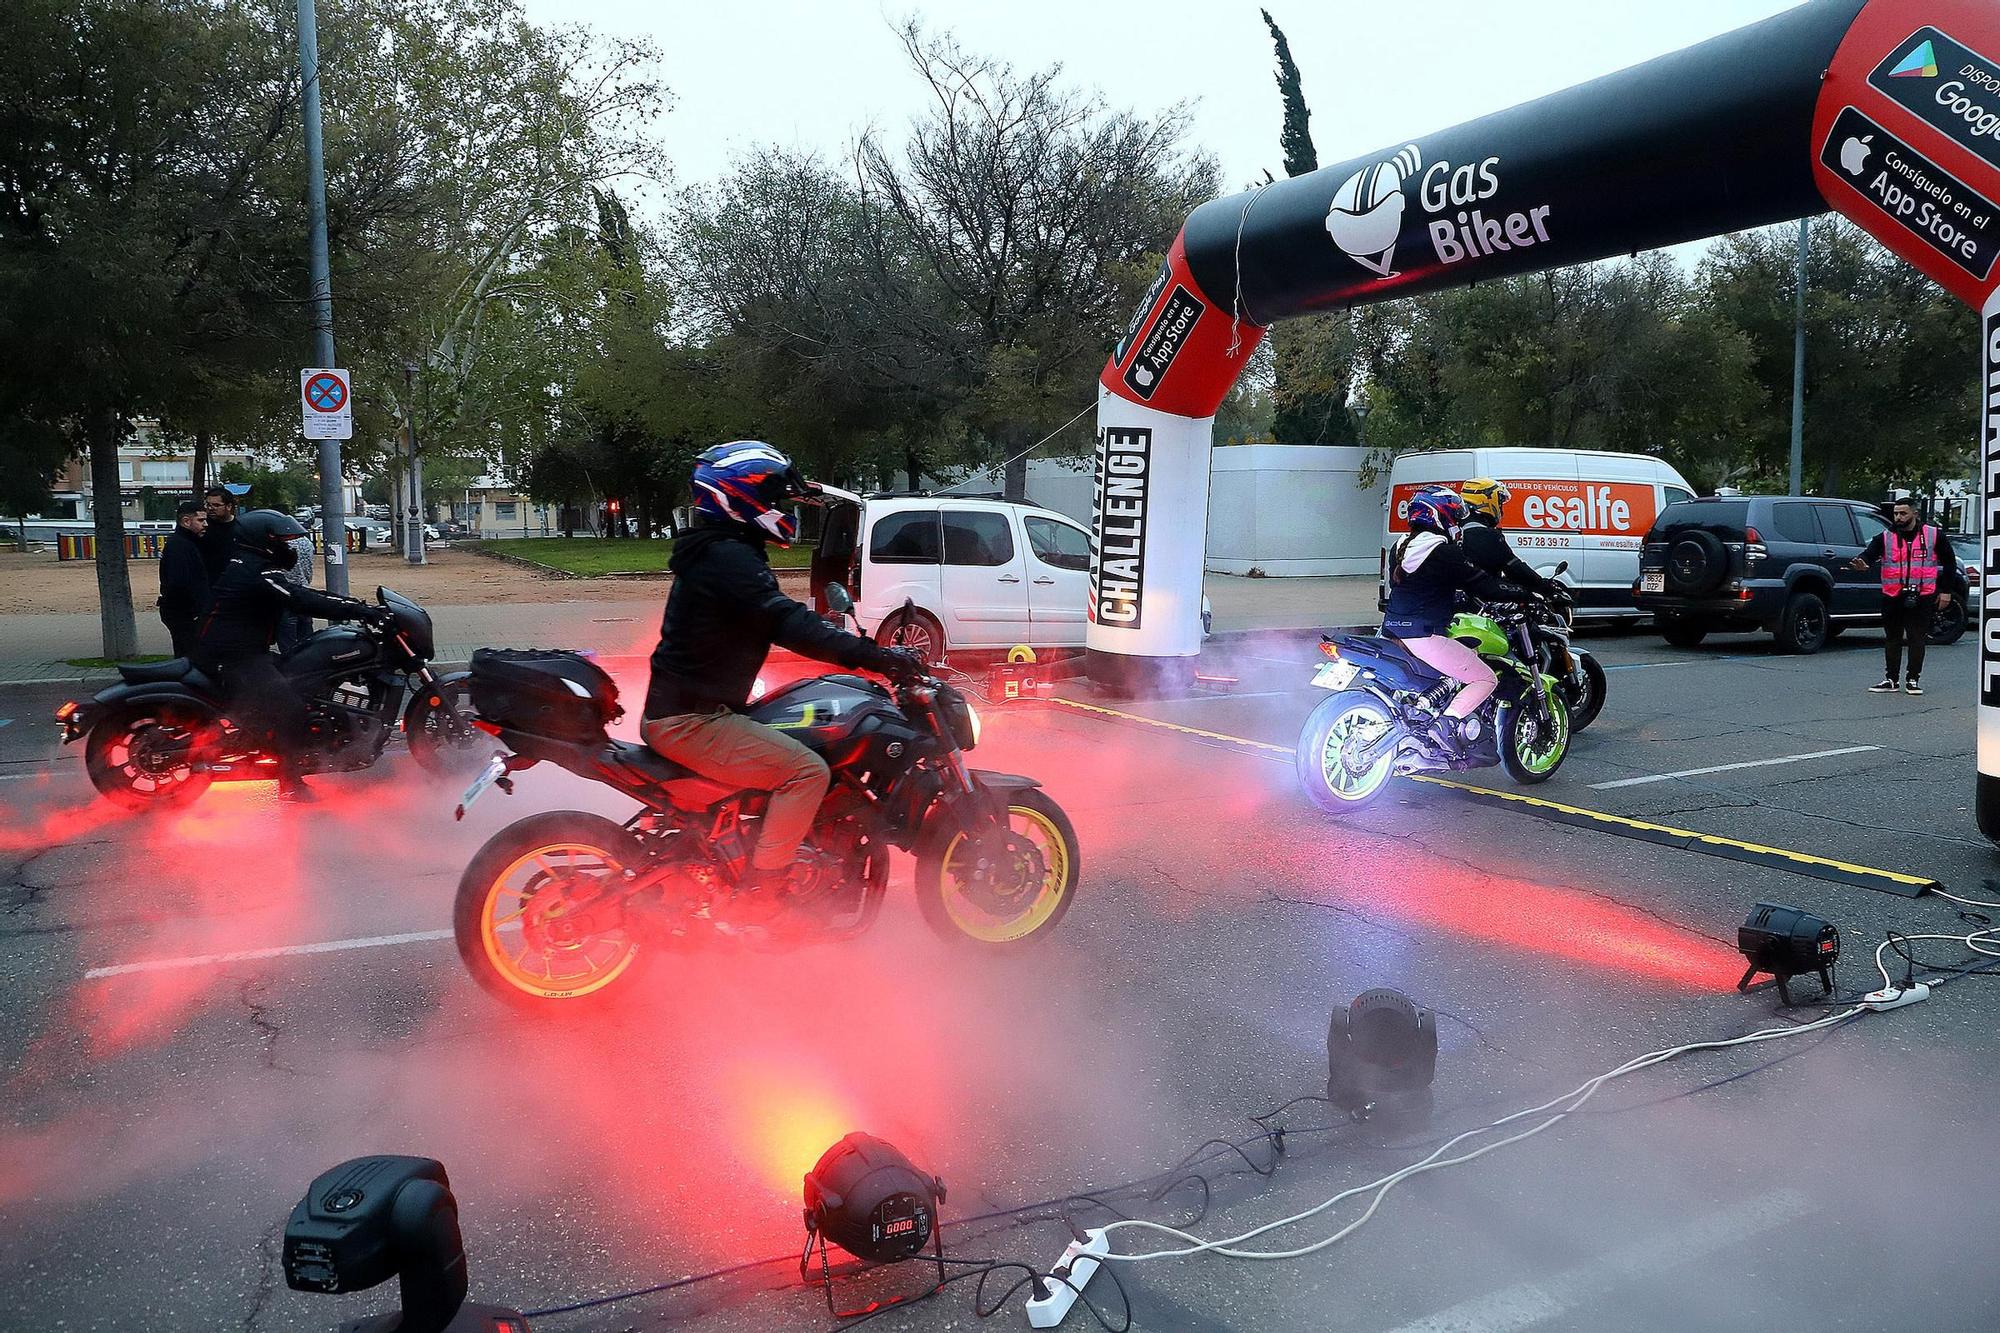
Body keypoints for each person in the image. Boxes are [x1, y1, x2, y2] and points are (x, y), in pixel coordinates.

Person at [641, 442, 922, 899]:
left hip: (693, 711)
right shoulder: (728, 558)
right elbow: (785, 622)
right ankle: (764, 887)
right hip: (693, 721)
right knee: (808, 772)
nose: (779, 509)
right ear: (742, 498)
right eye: (773, 499)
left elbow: (777, 618)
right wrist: (877, 656)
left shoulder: (721, 551)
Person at [194, 509, 387, 801]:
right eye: (281, 542)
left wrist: (355, 607)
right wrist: (358, 609)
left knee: (300, 681)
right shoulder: (257, 571)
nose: (287, 548)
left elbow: (298, 595)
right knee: (292, 711)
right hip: (235, 657)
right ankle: (290, 783)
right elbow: (299, 598)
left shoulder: (248, 562)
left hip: (236, 650)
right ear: (263, 541)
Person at [1382, 486, 1527, 752]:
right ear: (1440, 517)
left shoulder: (1399, 546)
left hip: (1391, 631)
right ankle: (1446, 724)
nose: (1457, 523)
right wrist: (1524, 592)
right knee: (1485, 679)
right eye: (1455, 517)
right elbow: (1485, 587)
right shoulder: (1444, 552)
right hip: (1423, 634)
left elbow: (1419, 585)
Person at [1848, 498, 1966, 696]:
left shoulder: (1932, 535)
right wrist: (1862, 564)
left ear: (1914, 514)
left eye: (1903, 513)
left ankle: (1913, 679)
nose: (1898, 518)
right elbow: (1867, 556)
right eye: (1896, 514)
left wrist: (1945, 591)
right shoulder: (1886, 537)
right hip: (1892, 594)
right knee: (1892, 638)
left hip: (1922, 595)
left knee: (1916, 637)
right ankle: (1891, 679)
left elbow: (1950, 564)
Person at [1456, 477, 1563, 599]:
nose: (1500, 507)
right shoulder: (1484, 534)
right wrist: (1544, 586)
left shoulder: (1457, 527)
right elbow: (1514, 568)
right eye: (1500, 502)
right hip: (1478, 601)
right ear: (1488, 500)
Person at [158, 500, 210, 659]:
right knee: (189, 656)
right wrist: (194, 611)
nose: (206, 524)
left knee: (189, 654)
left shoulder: (187, 543)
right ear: (186, 521)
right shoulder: (180, 546)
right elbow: (179, 583)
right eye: (201, 520)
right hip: (184, 613)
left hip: (183, 612)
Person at [275, 529, 317, 654]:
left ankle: (291, 663)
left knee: (287, 635)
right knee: (306, 631)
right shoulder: (306, 543)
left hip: (284, 593)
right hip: (303, 590)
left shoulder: (280, 545)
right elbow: (308, 568)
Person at [199, 485, 240, 581]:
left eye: (216, 505)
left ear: (229, 506)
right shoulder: (202, 526)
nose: (211, 508)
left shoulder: (240, 528)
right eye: (208, 505)